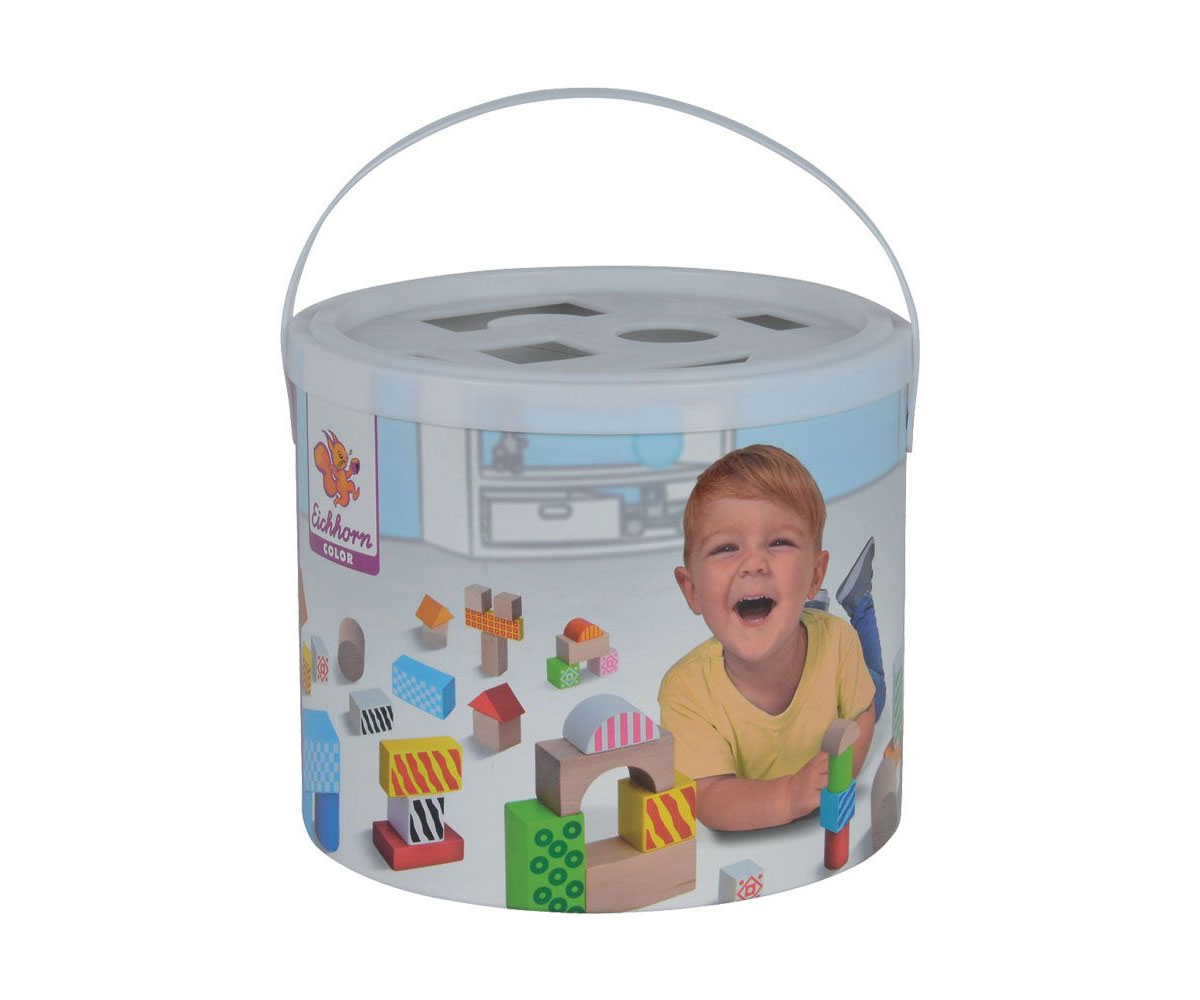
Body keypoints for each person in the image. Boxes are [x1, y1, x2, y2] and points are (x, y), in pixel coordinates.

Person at [657, 444, 883, 831]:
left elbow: (862, 713)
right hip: (813, 641)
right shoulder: (685, 690)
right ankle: (831, 604)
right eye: (726, 548)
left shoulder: (838, 643)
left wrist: (844, 771)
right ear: (691, 590)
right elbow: (707, 797)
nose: (754, 563)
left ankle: (857, 603)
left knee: (876, 684)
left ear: (815, 573)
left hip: (845, 664)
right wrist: (788, 796)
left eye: (779, 543)